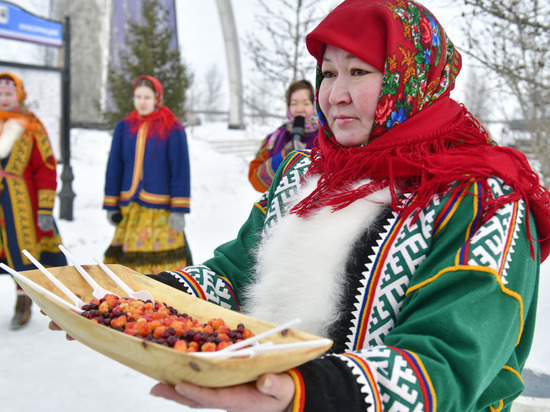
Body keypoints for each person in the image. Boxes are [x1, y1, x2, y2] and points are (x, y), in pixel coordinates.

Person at [51, 0, 550, 410]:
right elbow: (235, 271)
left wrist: (307, 391)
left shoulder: (482, 197)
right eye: (328, 73)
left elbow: (451, 356)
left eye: (358, 71)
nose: (334, 95)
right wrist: (136, 301)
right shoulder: (308, 173)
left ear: (409, 80)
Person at [103, 75, 192, 274]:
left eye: (147, 97)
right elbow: (114, 167)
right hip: (131, 208)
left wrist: (179, 208)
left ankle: (163, 298)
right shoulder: (123, 128)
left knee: (163, 265)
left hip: (161, 209)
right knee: (129, 264)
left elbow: (180, 169)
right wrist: (111, 204)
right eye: (138, 97)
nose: (141, 102)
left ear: (157, 99)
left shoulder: (172, 127)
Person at [0, 72, 67, 330]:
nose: (4, 98)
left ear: (19, 95)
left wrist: (45, 207)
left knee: (23, 253)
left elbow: (46, 167)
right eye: (1, 94)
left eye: (9, 93)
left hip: (20, 202)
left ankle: (23, 301)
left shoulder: (31, 126)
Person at [248, 79, 319, 192]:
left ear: (314, 105)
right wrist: (282, 156)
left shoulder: (326, 136)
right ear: (288, 106)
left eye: (306, 103)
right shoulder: (275, 138)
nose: (299, 109)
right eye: (294, 103)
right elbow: (255, 179)